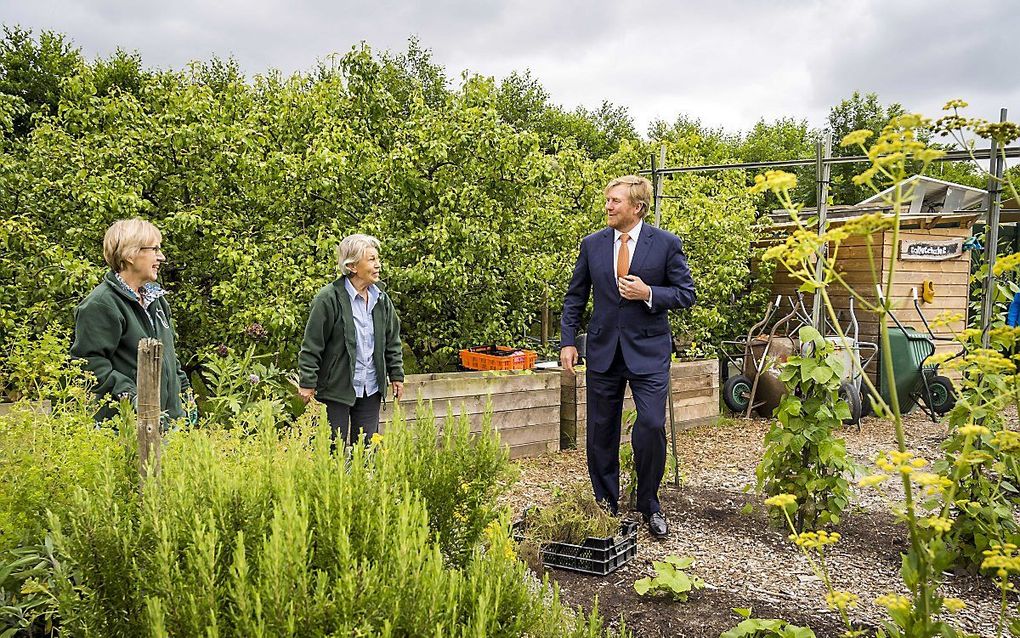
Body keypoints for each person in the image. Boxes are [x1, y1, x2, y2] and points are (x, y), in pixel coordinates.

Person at [560, 175, 696, 538]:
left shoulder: (666, 244)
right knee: (600, 432)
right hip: (604, 350)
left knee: (651, 425)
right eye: (607, 200)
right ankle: (606, 506)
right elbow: (575, 297)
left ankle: (649, 502)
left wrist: (649, 292)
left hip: (649, 351)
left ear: (636, 207)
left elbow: (686, 294)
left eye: (615, 201)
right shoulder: (592, 245)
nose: (608, 206)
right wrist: (568, 341)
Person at [70, 218, 193, 423]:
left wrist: (186, 397)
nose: (161, 257)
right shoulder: (101, 304)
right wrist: (134, 397)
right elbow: (89, 364)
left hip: (167, 423)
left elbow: (170, 357)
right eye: (154, 249)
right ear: (130, 254)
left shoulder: (157, 300)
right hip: (125, 427)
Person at [298, 233, 405, 448]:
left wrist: (396, 374)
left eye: (378, 259)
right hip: (336, 388)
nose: (378, 265)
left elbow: (392, 340)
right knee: (329, 450)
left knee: (366, 451)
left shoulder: (381, 299)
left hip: (370, 388)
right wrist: (307, 382)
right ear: (353, 266)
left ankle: (363, 483)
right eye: (372, 259)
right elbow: (312, 345)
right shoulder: (328, 298)